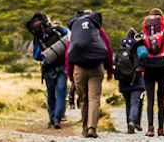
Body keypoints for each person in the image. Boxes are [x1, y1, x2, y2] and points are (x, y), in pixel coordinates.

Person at [66, 10, 114, 139]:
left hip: (79, 69)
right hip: (96, 68)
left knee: (83, 100)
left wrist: (70, 73)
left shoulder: (75, 31)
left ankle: (85, 128)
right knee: (94, 99)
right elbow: (108, 50)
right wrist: (110, 70)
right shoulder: (98, 29)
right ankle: (92, 127)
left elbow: (69, 53)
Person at [137, 9, 164, 137]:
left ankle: (150, 128)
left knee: (150, 99)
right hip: (163, 68)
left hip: (149, 68)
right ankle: (161, 129)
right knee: (160, 99)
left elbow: (139, 51)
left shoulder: (144, 33)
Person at [26, 13, 70, 129]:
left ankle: (52, 118)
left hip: (48, 68)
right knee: (61, 94)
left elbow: (36, 56)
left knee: (51, 94)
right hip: (62, 67)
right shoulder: (58, 29)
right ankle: (57, 119)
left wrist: (47, 55)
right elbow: (70, 38)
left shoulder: (38, 37)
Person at [116, 29, 146, 134]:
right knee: (135, 103)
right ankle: (132, 122)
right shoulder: (137, 46)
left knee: (128, 103)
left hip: (123, 81)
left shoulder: (121, 47)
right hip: (136, 80)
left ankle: (128, 122)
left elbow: (116, 64)